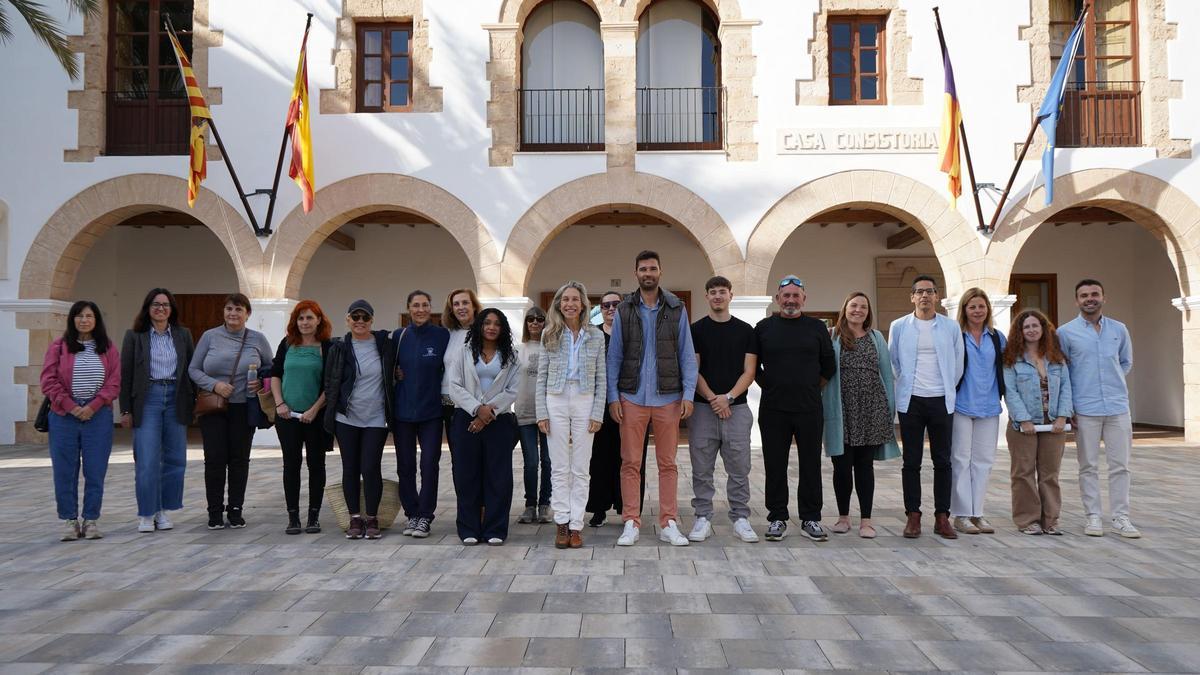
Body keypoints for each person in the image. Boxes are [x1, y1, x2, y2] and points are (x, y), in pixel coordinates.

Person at [606, 250, 698, 547]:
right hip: (631, 397)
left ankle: (668, 522)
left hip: (668, 398)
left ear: (660, 271)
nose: (648, 273)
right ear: (636, 273)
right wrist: (613, 397)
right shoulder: (624, 309)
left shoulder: (676, 308)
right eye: (643, 269)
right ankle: (631, 521)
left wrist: (688, 393)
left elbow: (686, 354)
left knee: (668, 463)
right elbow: (614, 356)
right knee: (630, 462)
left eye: (653, 268)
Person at [1057, 279, 1140, 538]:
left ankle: (1121, 517)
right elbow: (1063, 371)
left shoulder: (1119, 329)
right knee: (1088, 466)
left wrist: (1113, 383)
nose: (1089, 299)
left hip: (1117, 407)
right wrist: (1069, 406)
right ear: (1077, 301)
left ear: (1104, 297)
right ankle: (1092, 516)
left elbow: (1125, 362)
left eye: (1094, 294)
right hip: (1085, 408)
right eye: (1084, 295)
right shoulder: (1065, 333)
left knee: (1120, 466)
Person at [755, 276, 835, 542]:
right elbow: (753, 367)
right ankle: (777, 518)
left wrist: (809, 387)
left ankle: (810, 518)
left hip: (809, 408)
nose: (791, 300)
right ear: (777, 299)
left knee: (810, 464)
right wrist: (772, 386)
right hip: (773, 409)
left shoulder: (817, 328)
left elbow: (829, 366)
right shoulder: (763, 328)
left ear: (804, 299)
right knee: (775, 464)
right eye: (786, 296)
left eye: (795, 295)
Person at [189, 293, 274, 530]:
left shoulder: (258, 339)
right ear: (223, 312)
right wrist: (214, 385)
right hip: (214, 406)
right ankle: (215, 511)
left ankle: (236, 509)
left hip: (244, 407)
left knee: (239, 459)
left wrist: (260, 382)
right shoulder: (210, 336)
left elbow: (270, 369)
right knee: (214, 459)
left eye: (238, 309)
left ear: (248, 314)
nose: (233, 313)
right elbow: (193, 369)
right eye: (229, 309)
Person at [888, 275, 964, 539]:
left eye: (929, 291)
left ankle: (942, 517)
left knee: (943, 461)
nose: (924, 296)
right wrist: (907, 383)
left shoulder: (950, 327)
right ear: (912, 297)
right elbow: (893, 361)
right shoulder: (899, 326)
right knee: (911, 461)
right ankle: (913, 515)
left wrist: (946, 388)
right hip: (911, 401)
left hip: (941, 400)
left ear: (937, 296)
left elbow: (958, 363)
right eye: (919, 292)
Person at [688, 276, 759, 543]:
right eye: (713, 292)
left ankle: (740, 518)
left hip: (737, 409)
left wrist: (728, 398)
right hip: (702, 410)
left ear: (731, 295)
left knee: (739, 468)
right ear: (706, 296)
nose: (717, 296)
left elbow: (749, 371)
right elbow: (693, 370)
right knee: (701, 469)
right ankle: (702, 518)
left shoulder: (746, 331)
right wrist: (713, 399)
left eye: (722, 291)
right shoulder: (696, 330)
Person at [42, 300, 120, 541]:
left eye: (89, 316)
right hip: (64, 416)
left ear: (96, 320)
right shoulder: (58, 347)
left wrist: (93, 406)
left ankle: (91, 519)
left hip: (98, 416)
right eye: (79, 316)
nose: (84, 320)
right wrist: (72, 407)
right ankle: (69, 520)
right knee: (65, 470)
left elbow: (114, 382)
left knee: (95, 470)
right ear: (72, 319)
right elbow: (48, 381)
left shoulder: (108, 348)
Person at [822, 291, 898, 540]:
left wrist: (890, 409)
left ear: (868, 312)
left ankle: (866, 520)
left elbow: (886, 374)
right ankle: (843, 517)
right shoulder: (832, 335)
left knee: (865, 467)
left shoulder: (876, 337)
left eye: (863, 307)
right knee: (842, 467)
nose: (858, 310)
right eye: (854, 305)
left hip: (871, 409)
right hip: (841, 410)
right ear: (845, 308)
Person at [537, 281, 606, 549]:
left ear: (583, 304)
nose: (570, 304)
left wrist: (597, 412)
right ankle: (562, 522)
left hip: (584, 398)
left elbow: (601, 378)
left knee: (581, 467)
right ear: (558, 304)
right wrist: (542, 412)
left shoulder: (595, 335)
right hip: (555, 398)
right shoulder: (549, 333)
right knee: (559, 466)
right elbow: (542, 376)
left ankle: (576, 525)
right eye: (565, 299)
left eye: (575, 299)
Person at [120, 288, 194, 534]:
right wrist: (125, 409)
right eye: (155, 304)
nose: (161, 308)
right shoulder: (134, 336)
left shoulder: (183, 335)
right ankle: (146, 513)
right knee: (147, 459)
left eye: (165, 304)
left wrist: (193, 402)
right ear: (147, 308)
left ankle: (163, 510)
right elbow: (126, 374)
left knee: (176, 459)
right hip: (147, 398)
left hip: (175, 397)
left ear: (172, 309)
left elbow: (190, 369)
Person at [448, 308, 521, 546]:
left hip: (499, 421)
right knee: (466, 475)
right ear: (479, 325)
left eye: (497, 324)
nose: (491, 327)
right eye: (487, 323)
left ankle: (495, 529)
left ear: (503, 329)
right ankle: (469, 527)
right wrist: (476, 409)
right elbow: (454, 386)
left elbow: (512, 390)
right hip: (466, 419)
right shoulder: (463, 352)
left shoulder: (512, 356)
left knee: (498, 477)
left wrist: (487, 413)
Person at [324, 299, 394, 540]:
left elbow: (395, 370)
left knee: (370, 467)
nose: (360, 321)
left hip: (376, 417)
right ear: (348, 320)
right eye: (355, 317)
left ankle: (372, 517)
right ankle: (355, 517)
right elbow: (331, 381)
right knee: (350, 467)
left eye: (365, 317)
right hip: (346, 417)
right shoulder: (339, 347)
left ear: (372, 320)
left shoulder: (385, 345)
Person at [1003, 309, 1073, 535]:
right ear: (1019, 332)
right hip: (1023, 425)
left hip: (1053, 423)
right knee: (1023, 473)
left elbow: (1067, 388)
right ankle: (1028, 520)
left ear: (1043, 329)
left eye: (1035, 325)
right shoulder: (1011, 359)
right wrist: (1023, 419)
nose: (1031, 330)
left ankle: (1050, 520)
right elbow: (1010, 392)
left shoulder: (1056, 358)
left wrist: (1062, 416)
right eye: (1026, 327)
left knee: (1050, 473)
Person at [270, 300, 333, 535]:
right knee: (291, 465)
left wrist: (314, 409)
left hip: (315, 417)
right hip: (287, 416)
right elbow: (275, 374)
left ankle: (313, 517)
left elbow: (330, 383)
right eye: (300, 318)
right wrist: (280, 403)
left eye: (309, 318)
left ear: (319, 320)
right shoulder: (287, 344)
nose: (305, 322)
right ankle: (293, 517)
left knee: (316, 465)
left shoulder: (327, 347)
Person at [392, 290, 451, 539]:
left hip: (431, 412)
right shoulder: (399, 336)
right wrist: (395, 373)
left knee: (429, 465)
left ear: (430, 307)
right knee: (405, 466)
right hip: (402, 411)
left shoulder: (442, 335)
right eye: (416, 305)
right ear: (408, 308)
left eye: (425, 305)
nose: (421, 310)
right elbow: (388, 366)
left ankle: (425, 515)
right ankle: (412, 514)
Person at [585, 290, 646, 527]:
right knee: (600, 459)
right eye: (606, 305)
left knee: (631, 458)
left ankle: (628, 509)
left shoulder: (635, 334)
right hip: (600, 406)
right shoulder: (593, 336)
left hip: (632, 404)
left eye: (616, 304)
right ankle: (599, 509)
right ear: (600, 309)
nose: (611, 309)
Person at [950, 288, 1007, 535]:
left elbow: (1006, 368)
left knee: (984, 462)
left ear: (988, 309)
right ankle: (961, 514)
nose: (977, 311)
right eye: (972, 306)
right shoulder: (956, 335)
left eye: (981, 306)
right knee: (961, 460)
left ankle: (977, 513)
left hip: (989, 406)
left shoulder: (997, 337)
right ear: (964, 309)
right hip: (961, 405)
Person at [442, 288, 482, 450]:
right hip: (448, 403)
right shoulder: (448, 334)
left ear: (474, 306)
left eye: (465, 303)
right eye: (456, 304)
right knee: (457, 455)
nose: (461, 307)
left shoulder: (484, 333)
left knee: (474, 453)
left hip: (473, 403)